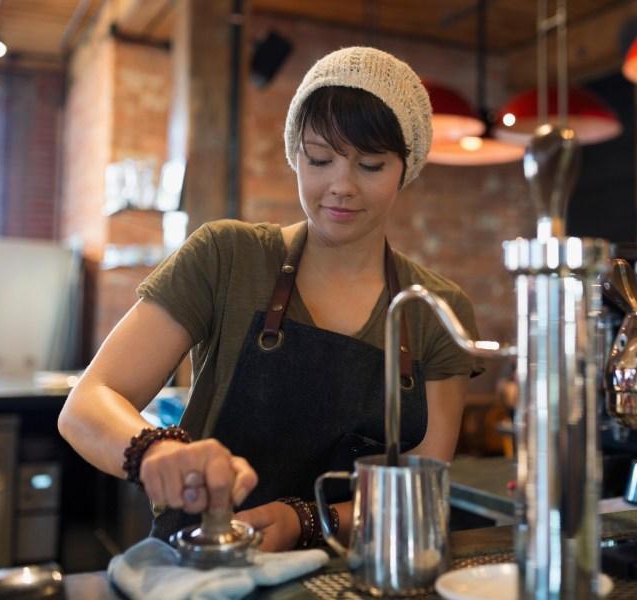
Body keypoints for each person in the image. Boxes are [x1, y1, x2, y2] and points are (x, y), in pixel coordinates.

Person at [58, 46, 483, 552]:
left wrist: (305, 519)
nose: (340, 186)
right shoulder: (227, 257)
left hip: (352, 577)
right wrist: (154, 451)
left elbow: (424, 487)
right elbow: (88, 402)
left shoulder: (436, 309)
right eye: (319, 159)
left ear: (405, 167)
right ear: (295, 153)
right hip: (206, 566)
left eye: (370, 165)